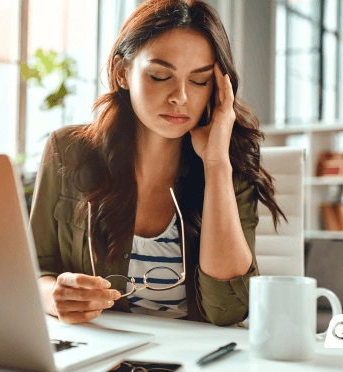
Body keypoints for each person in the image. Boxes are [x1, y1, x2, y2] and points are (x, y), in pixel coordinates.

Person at [29, 0, 286, 326]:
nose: (180, 96)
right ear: (123, 73)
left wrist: (217, 163)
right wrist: (54, 296)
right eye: (160, 75)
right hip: (101, 355)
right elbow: (35, 268)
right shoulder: (68, 151)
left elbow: (228, 310)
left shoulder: (230, 163)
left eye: (198, 80)